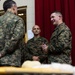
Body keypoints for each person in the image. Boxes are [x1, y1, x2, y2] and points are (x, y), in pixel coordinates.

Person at [0, 0, 25, 67]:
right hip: (12, 61)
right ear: (14, 7)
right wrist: (2, 53)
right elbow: (15, 39)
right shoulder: (18, 20)